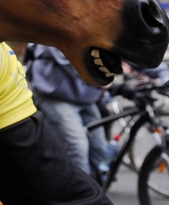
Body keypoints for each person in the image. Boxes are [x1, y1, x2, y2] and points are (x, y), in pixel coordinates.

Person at [27, 44, 111, 178]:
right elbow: (71, 59)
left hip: (85, 98)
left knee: (99, 149)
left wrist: (156, 75)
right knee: (77, 148)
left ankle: (98, 192)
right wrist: (102, 75)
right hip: (54, 96)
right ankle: (82, 196)